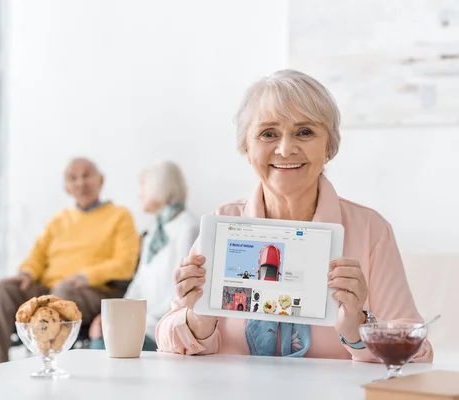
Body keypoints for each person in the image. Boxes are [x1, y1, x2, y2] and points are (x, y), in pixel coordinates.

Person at [155, 69, 434, 362]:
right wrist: (198, 319)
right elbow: (166, 340)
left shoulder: (370, 231)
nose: (286, 149)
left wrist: (359, 327)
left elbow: (418, 354)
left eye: (305, 132)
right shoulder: (221, 223)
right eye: (268, 134)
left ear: (329, 146)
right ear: (247, 148)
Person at [0, 158, 140, 365]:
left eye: (87, 175)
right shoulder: (59, 220)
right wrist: (26, 273)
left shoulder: (120, 216)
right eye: (73, 178)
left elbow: (125, 264)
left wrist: (83, 277)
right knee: (1, 291)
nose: (81, 183)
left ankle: (49, 364)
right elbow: (37, 255)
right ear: (67, 188)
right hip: (51, 288)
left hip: (92, 291)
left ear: (100, 180)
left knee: (61, 295)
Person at [88, 161, 199, 351]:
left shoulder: (188, 228)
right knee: (101, 334)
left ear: (159, 186)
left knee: (103, 345)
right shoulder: (154, 231)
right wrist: (112, 314)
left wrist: (134, 321)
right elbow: (138, 284)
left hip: (163, 328)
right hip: (142, 323)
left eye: (143, 186)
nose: (140, 193)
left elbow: (183, 293)